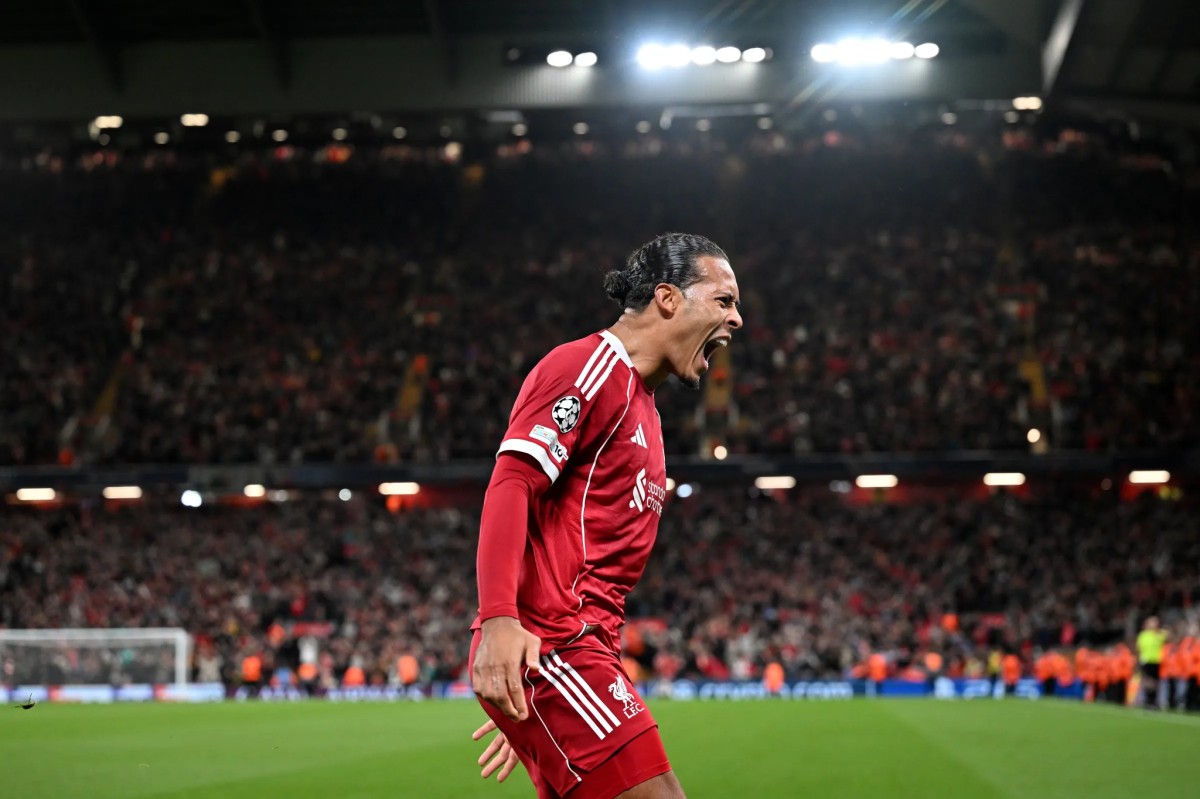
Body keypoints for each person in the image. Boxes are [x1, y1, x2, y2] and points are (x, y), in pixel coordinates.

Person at [468, 233, 742, 799]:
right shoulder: (588, 368)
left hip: (581, 660)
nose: (737, 319)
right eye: (724, 300)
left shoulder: (648, 414)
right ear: (668, 298)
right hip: (554, 646)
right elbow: (512, 482)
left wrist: (547, 721)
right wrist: (499, 623)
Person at [1136, 616, 1169, 709]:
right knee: (1148, 681)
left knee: (1156, 682)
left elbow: (1169, 637)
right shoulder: (1143, 635)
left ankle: (1153, 701)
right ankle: (1148, 700)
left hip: (1157, 661)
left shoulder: (1160, 634)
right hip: (1146, 661)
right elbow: (1139, 649)